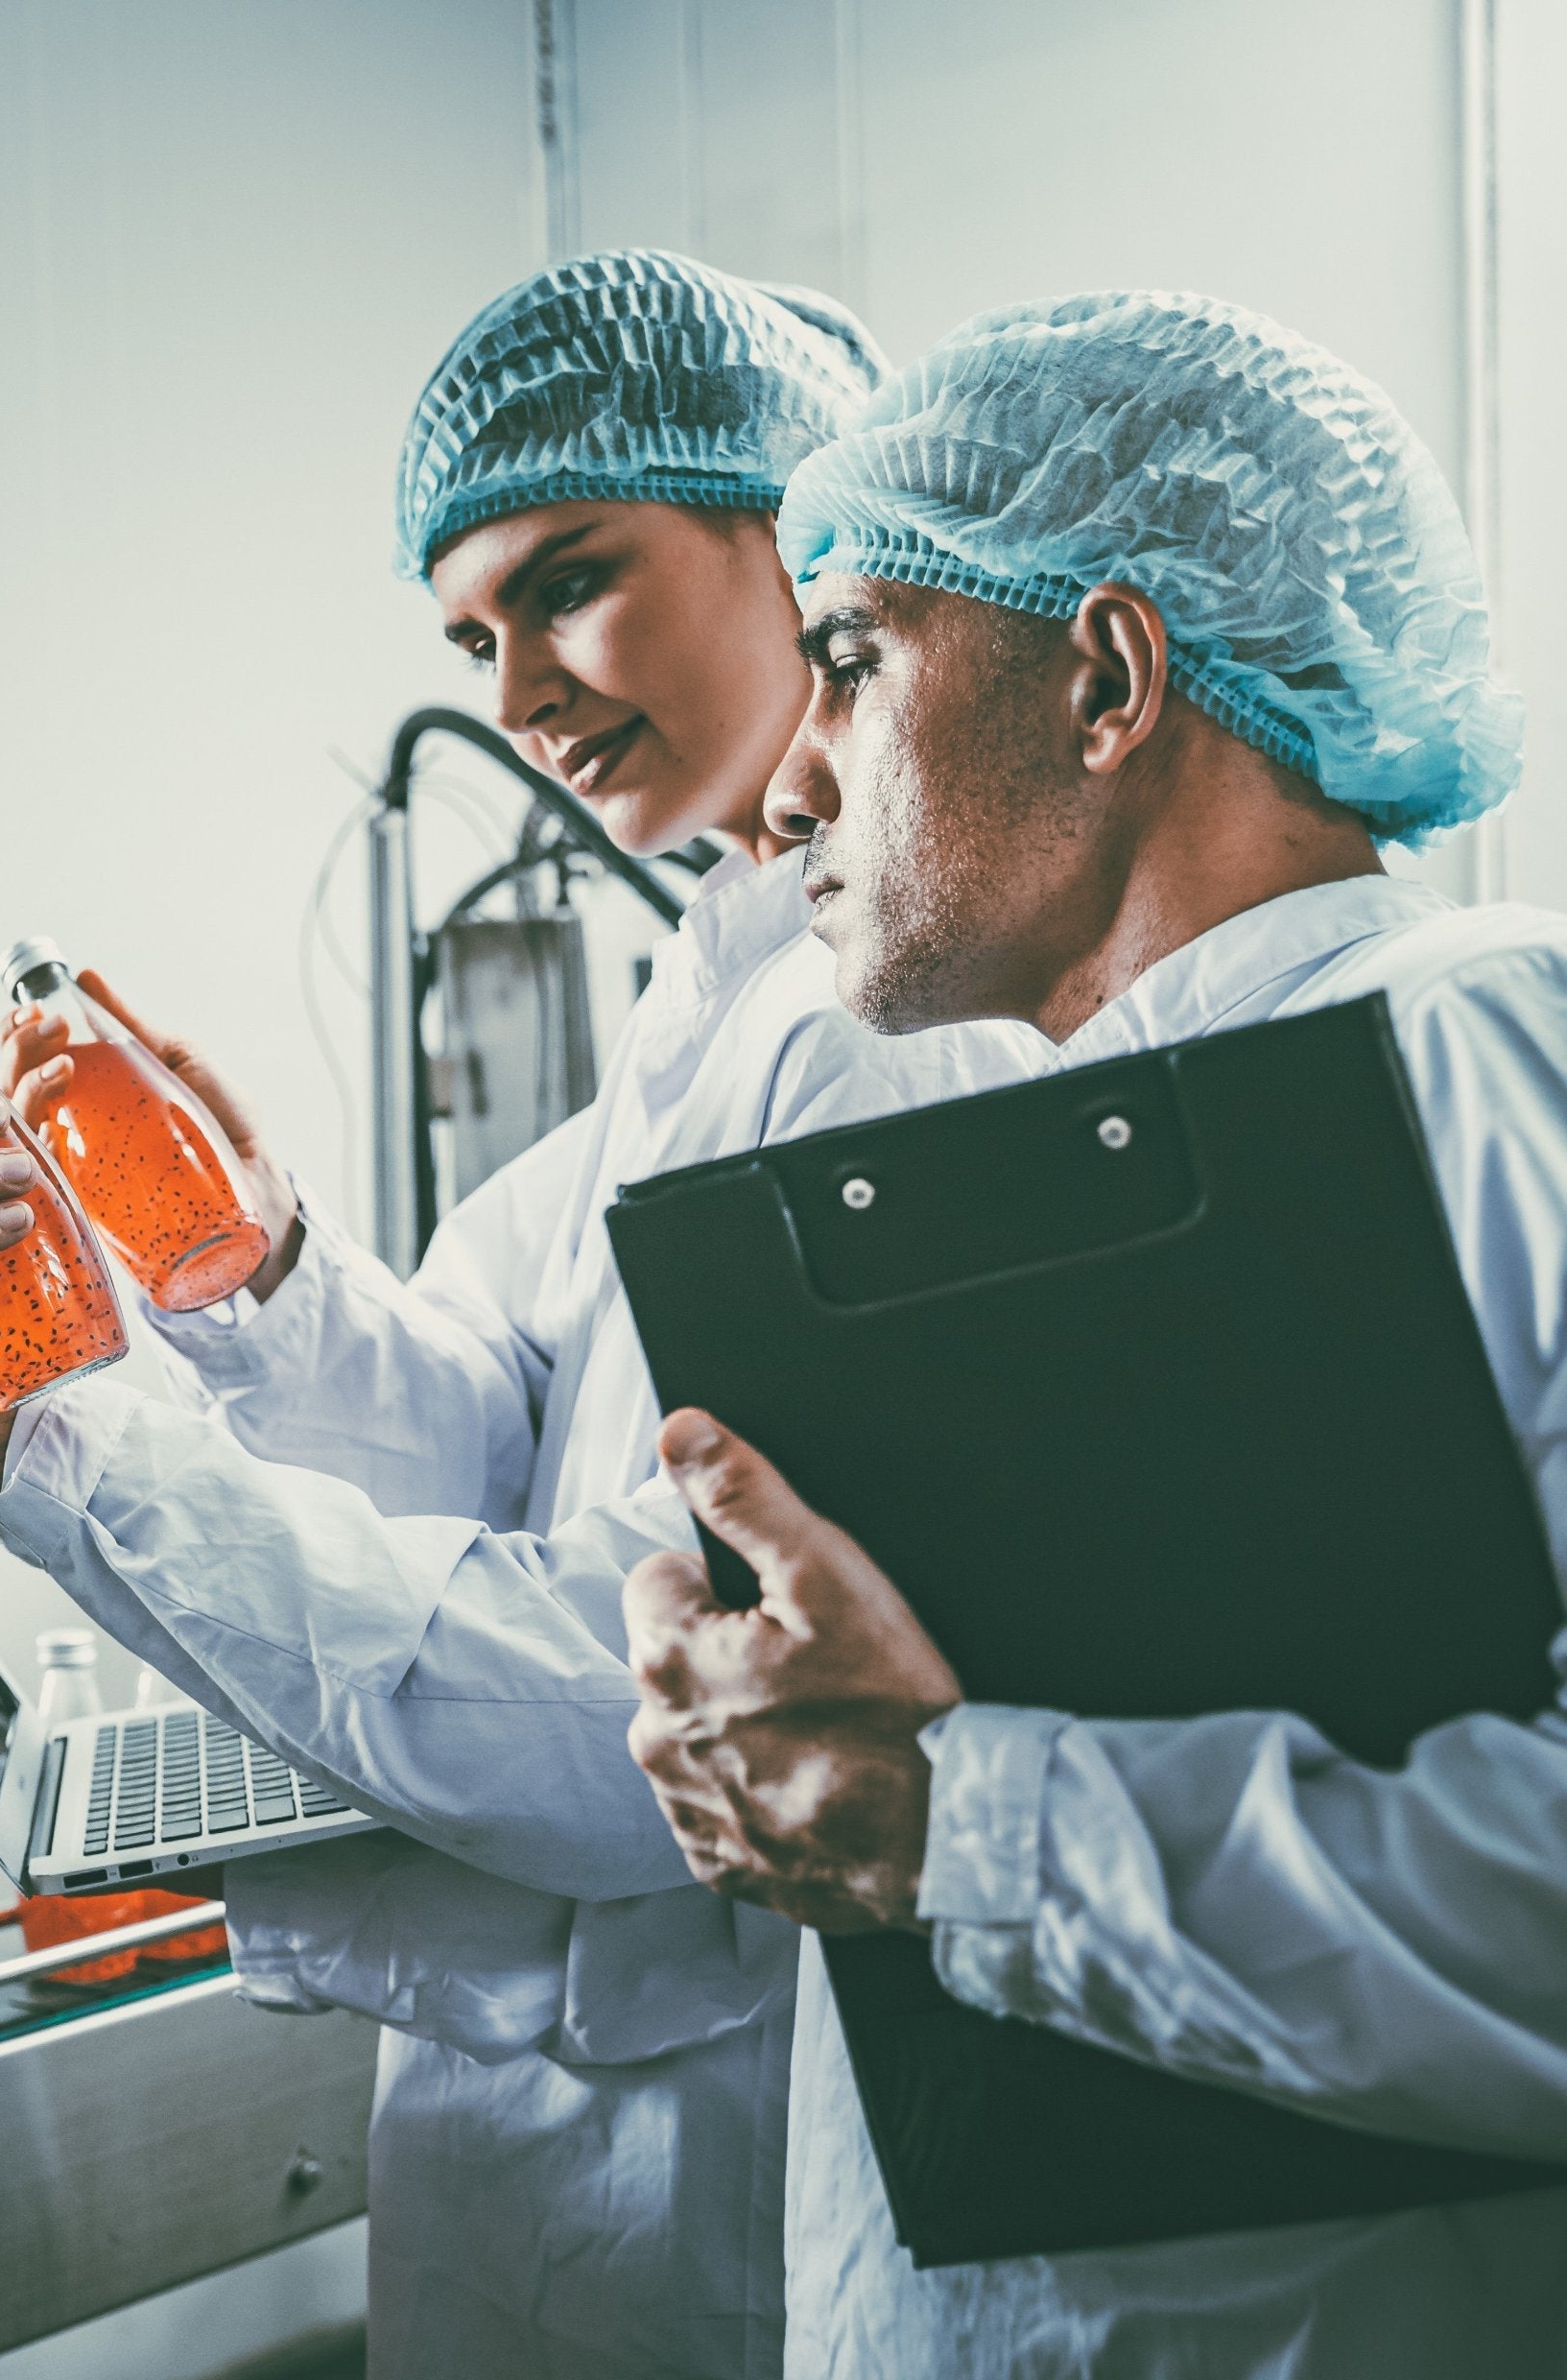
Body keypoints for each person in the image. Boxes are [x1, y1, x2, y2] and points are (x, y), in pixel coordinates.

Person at [0, 252, 1033, 2380]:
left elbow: (642, 1711)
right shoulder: (718, 978)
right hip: (556, 2143)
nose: (519, 688)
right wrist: (242, 1279)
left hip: (718, 2155)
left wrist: (73, 1423)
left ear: (805, 524)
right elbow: (506, 1430)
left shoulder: (894, 1029)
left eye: (572, 580)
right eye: (472, 636)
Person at [617, 291, 1567, 2377]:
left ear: (1109, 676)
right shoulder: (1034, 1148)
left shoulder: (1481, 1054)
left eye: (850, 660)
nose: (786, 783)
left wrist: (962, 1825)